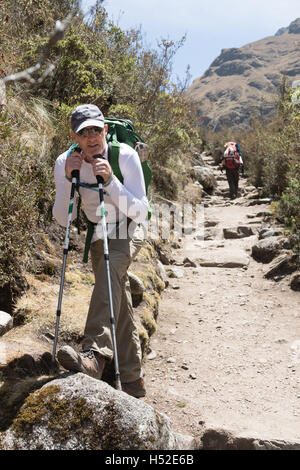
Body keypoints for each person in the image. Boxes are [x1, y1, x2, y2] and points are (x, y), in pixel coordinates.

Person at [52, 104, 149, 398]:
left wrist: (111, 181)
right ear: (75, 136)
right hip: (99, 231)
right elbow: (60, 217)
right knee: (113, 287)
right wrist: (68, 178)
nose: (92, 136)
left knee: (109, 274)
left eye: (96, 129)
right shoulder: (65, 161)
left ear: (105, 130)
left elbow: (142, 210)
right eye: (84, 132)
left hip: (129, 225)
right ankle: (132, 379)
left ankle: (94, 355)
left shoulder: (125, 157)